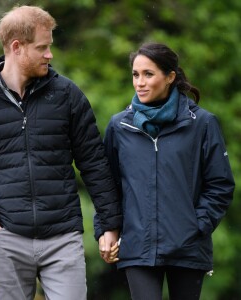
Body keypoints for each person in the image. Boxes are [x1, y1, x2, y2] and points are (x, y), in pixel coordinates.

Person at [0, 5, 122, 300]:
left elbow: (94, 163)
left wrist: (110, 225)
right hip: (5, 238)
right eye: (43, 47)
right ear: (17, 47)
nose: (50, 55)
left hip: (63, 237)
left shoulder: (67, 95)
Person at [95, 42, 235, 300]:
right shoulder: (119, 126)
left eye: (149, 74)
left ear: (170, 77)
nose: (140, 82)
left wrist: (197, 225)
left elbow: (220, 185)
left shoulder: (202, 124)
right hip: (137, 246)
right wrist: (106, 229)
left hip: (188, 247)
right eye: (136, 75)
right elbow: (107, 185)